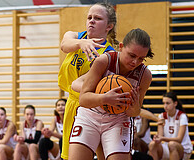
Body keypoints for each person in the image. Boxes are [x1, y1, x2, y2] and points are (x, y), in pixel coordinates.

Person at [69, 28, 154, 160]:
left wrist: (133, 108)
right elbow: (83, 99)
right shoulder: (104, 61)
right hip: (90, 116)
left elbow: (135, 112)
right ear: (121, 47)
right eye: (132, 55)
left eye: (141, 59)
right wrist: (105, 98)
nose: (135, 62)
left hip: (118, 120)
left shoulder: (145, 75)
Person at [58, 3, 118, 159]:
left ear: (109, 26)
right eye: (89, 17)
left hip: (92, 108)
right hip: (72, 104)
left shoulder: (109, 54)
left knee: (101, 154)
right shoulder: (76, 37)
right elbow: (64, 45)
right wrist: (81, 43)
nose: (91, 20)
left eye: (97, 18)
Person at [148, 92, 193, 160]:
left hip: (183, 149)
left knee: (172, 144)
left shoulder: (182, 116)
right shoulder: (161, 116)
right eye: (164, 103)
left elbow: (179, 139)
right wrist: (157, 138)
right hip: (167, 147)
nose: (165, 106)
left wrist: (162, 138)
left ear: (175, 103)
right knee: (152, 144)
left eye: (168, 103)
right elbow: (160, 136)